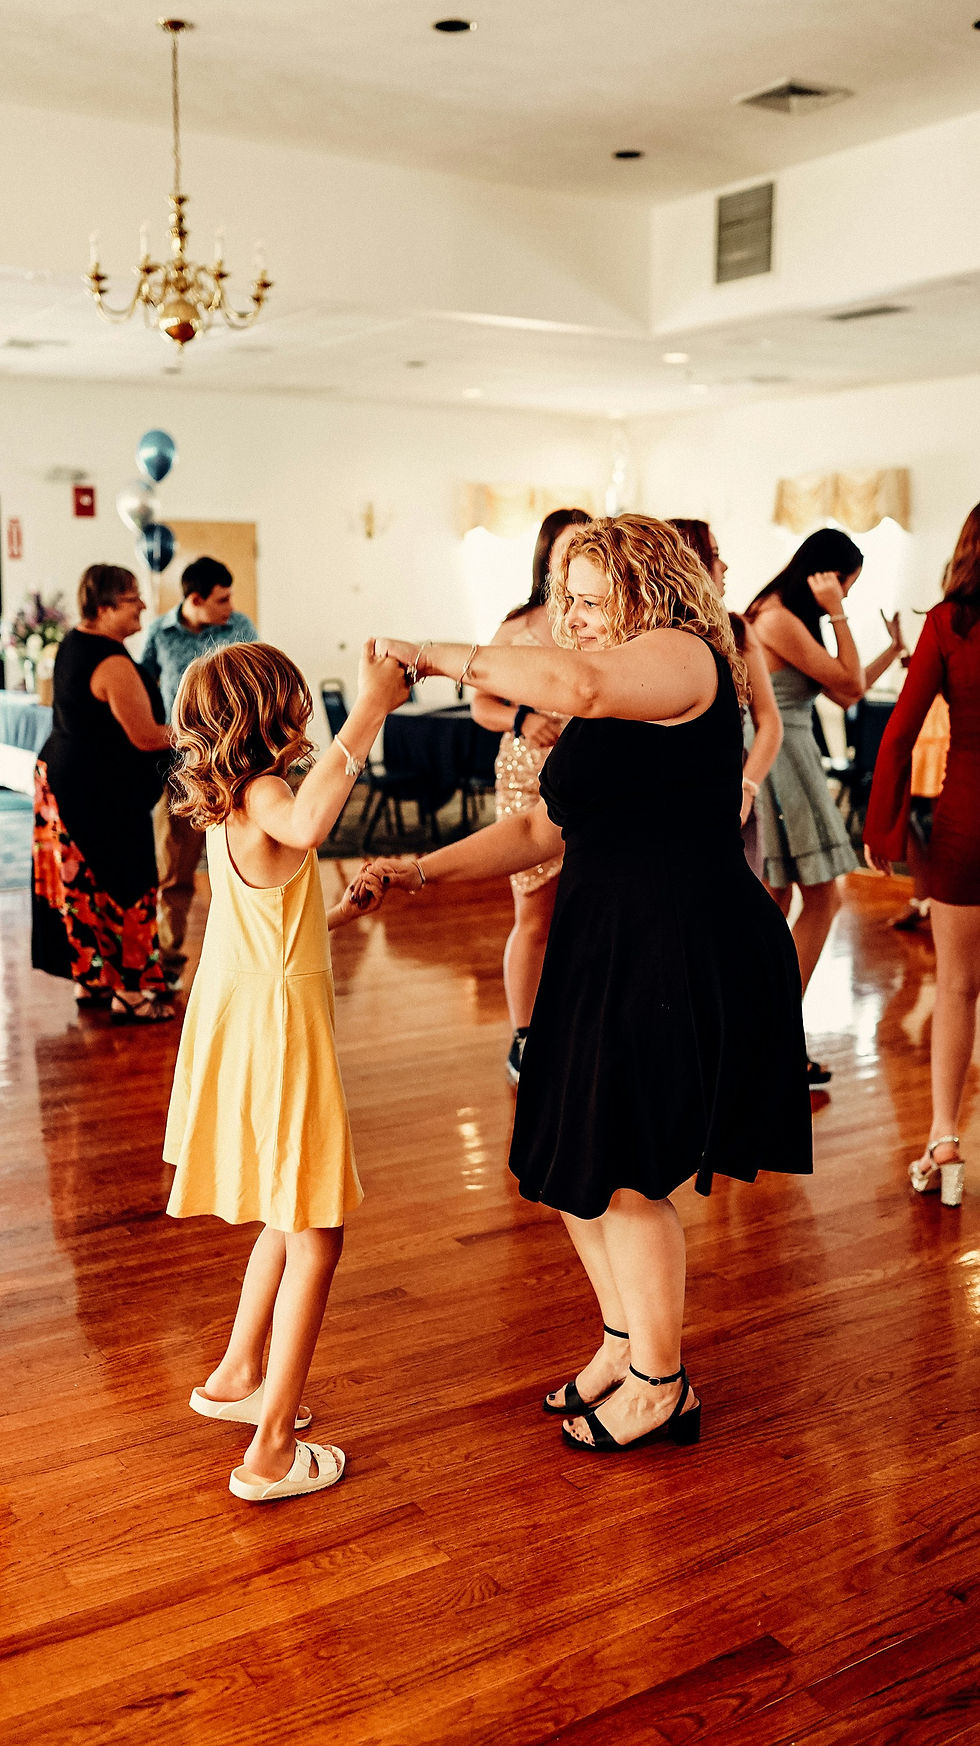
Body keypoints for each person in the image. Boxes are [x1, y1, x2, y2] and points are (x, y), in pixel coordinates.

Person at [354, 515, 812, 1456]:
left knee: (630, 1172)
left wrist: (431, 655)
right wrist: (419, 870)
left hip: (679, 943)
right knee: (569, 1158)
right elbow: (540, 829)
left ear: (652, 590)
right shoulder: (608, 698)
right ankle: (622, 1341)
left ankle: (662, 1386)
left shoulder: (687, 657)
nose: (577, 616)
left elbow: (580, 682)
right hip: (602, 943)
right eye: (570, 598)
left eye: (595, 598)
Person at [164, 639, 408, 1501]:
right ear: (270, 712)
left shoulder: (231, 801)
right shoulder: (269, 792)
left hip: (244, 1011)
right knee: (318, 1230)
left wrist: (333, 914)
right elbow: (306, 825)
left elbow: (265, 918)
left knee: (287, 1205)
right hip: (277, 1028)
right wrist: (371, 706)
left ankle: (237, 1374)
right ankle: (269, 1454)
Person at [744, 528, 907, 1084]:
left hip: (789, 753)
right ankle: (773, 1034)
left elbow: (843, 689)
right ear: (825, 576)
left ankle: (762, 1033)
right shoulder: (777, 618)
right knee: (820, 897)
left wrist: (892, 649)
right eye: (846, 585)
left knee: (780, 897)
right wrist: (838, 613)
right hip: (782, 757)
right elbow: (851, 686)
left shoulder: (784, 617)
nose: (847, 595)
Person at [864, 502, 980, 1207]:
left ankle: (944, 1139)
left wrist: (882, 829)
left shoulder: (947, 623)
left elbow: (900, 732)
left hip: (967, 824)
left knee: (957, 987)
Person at [470, 507, 591, 1082]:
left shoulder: (604, 619)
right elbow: (480, 703)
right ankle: (525, 1035)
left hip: (592, 779)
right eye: (567, 547)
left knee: (589, 913)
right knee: (535, 912)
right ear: (546, 555)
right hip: (527, 775)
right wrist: (521, 718)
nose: (575, 558)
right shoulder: (518, 626)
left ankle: (579, 1025)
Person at [31, 564, 175, 1024]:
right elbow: (146, 737)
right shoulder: (111, 662)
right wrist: (201, 730)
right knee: (126, 881)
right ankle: (130, 992)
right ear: (106, 606)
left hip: (67, 780)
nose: (143, 606)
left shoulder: (74, 643)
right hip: (101, 792)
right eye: (133, 599)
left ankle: (92, 979)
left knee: (86, 885)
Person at [141, 557, 258, 987]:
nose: (231, 606)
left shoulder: (240, 627)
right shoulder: (159, 634)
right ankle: (167, 963)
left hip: (235, 768)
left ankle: (253, 958)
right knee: (174, 871)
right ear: (194, 599)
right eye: (221, 599)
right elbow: (143, 689)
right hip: (181, 770)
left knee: (250, 864)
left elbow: (257, 687)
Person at [669, 518, 782, 879]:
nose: (725, 566)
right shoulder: (654, 638)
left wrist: (747, 787)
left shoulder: (737, 630)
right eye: (714, 554)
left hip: (731, 787)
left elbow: (770, 722)